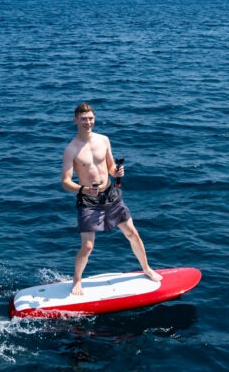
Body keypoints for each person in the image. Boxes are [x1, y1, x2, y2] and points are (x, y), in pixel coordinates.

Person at [62, 102, 161, 295]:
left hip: (111, 195)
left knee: (132, 233)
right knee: (88, 246)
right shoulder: (71, 149)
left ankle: (147, 269)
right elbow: (65, 182)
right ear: (76, 120)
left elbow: (110, 167)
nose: (88, 122)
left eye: (90, 118)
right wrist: (84, 190)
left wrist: (117, 171)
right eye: (83, 119)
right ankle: (76, 281)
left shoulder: (104, 140)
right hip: (89, 200)